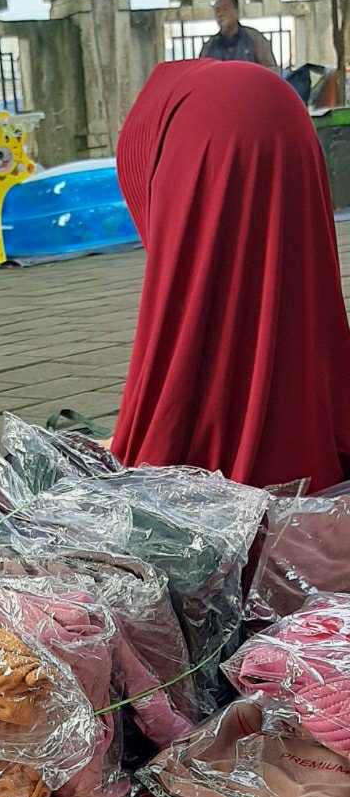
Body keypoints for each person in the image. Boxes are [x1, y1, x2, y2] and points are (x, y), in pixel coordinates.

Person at [111, 59, 350, 493]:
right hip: (286, 117)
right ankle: (300, 434)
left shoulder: (148, 136)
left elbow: (165, 242)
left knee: (198, 286)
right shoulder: (170, 104)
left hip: (206, 130)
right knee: (295, 274)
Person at [199, 0, 278, 70]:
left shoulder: (254, 38)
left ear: (237, 12)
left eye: (225, 9)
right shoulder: (209, 46)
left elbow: (271, 69)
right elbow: (202, 72)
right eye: (217, 10)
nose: (220, 14)